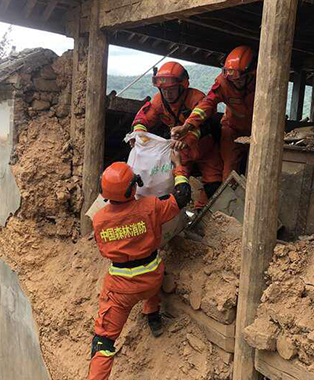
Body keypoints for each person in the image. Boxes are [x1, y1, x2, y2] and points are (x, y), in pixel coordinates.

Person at [88, 152, 191, 380]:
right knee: (152, 274)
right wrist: (179, 167)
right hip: (152, 278)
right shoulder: (151, 207)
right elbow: (182, 196)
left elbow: (103, 248)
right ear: (133, 188)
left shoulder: (99, 220)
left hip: (121, 288)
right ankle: (152, 316)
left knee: (103, 341)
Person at [130, 61, 223, 209]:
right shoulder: (159, 101)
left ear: (182, 85)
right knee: (176, 186)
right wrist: (137, 133)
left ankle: (201, 214)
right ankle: (174, 218)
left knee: (214, 185)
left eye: (171, 89)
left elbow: (207, 124)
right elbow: (144, 117)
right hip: (180, 151)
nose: (167, 94)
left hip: (205, 148)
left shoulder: (196, 98)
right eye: (163, 90)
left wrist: (189, 137)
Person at [172, 46, 257, 181]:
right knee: (229, 169)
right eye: (232, 79)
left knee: (259, 168)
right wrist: (187, 126)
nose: (235, 82)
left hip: (259, 131)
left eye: (239, 79)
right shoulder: (224, 82)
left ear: (251, 74)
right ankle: (229, 200)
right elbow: (207, 104)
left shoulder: (263, 81)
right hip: (232, 129)